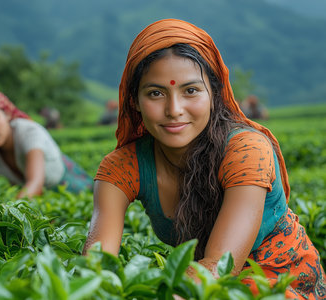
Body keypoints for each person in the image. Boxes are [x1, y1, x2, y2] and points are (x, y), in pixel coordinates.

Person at [82, 19, 325, 298]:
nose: (174, 110)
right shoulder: (121, 168)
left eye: (190, 91)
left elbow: (219, 266)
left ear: (214, 93)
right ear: (134, 100)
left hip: (285, 287)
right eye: (156, 93)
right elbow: (96, 266)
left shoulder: (247, 151)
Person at [0, 86, 93, 202]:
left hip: (68, 186)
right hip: (33, 198)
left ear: (7, 114)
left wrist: (8, 214)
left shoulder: (29, 132)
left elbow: (35, 183)